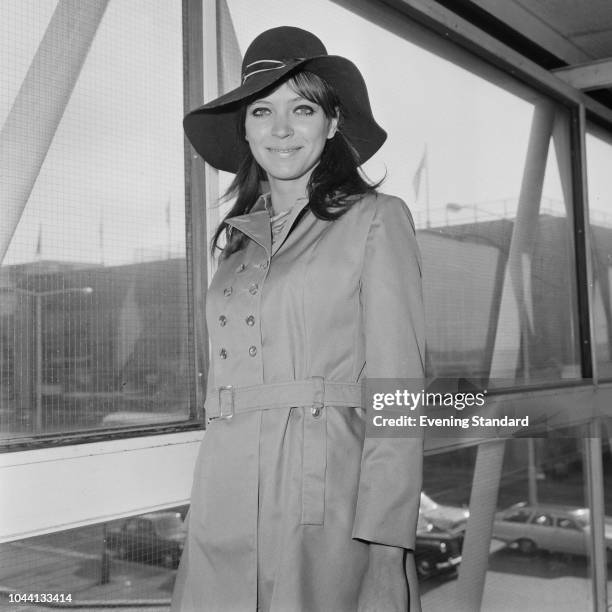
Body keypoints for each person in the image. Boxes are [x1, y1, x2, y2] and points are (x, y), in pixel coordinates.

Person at [172, 26, 425, 612]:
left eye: (302, 108)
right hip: (222, 501)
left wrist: (388, 551)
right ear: (245, 127)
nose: (281, 129)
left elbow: (399, 394)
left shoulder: (376, 221)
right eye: (262, 110)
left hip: (325, 504)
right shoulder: (234, 248)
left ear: (332, 123)